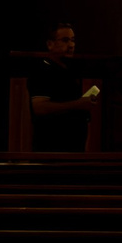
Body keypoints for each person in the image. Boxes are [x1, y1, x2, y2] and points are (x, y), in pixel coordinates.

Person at [27, 22, 101, 151]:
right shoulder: (43, 70)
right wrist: (79, 104)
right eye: (65, 40)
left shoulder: (69, 71)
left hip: (73, 150)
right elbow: (39, 107)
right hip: (52, 150)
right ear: (50, 44)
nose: (71, 45)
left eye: (72, 40)